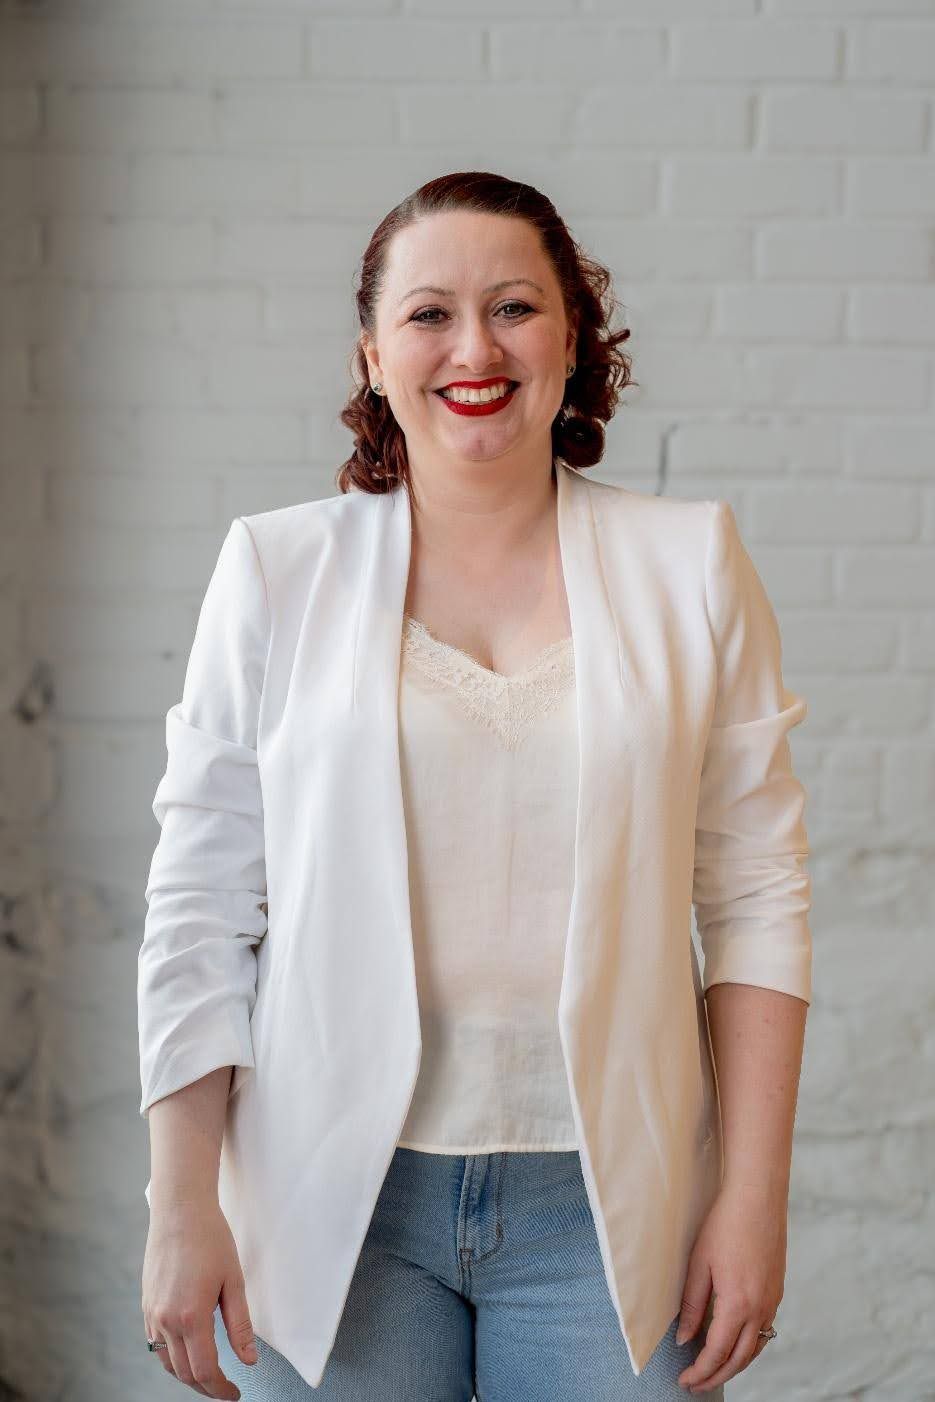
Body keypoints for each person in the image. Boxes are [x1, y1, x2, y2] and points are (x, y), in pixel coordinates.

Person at [139, 171, 810, 1400]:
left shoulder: (691, 566)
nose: (473, 348)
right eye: (428, 313)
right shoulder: (276, 571)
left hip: (612, 1209)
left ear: (571, 337)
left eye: (512, 306)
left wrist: (752, 1197)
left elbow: (756, 897)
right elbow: (199, 904)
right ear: (373, 353)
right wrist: (179, 1201)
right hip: (335, 1202)